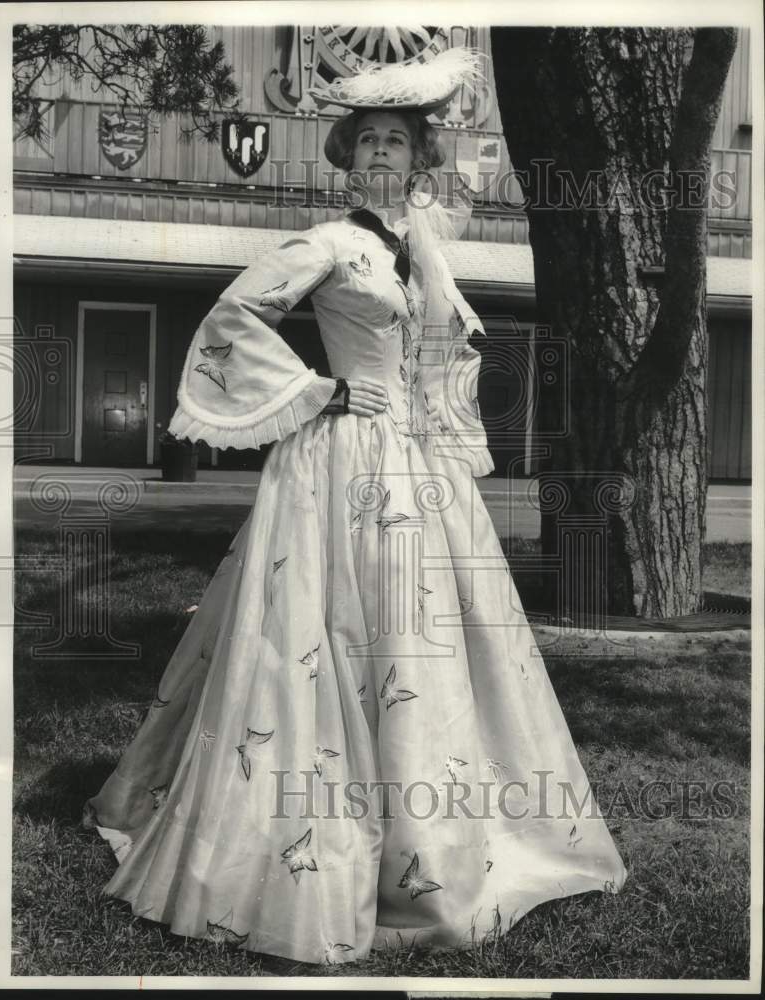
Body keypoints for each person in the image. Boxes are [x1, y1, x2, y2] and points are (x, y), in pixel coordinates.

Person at [84, 48, 627, 966]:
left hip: (415, 470)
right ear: (348, 154)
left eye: (397, 142)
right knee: (322, 638)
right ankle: (297, 834)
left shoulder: (421, 247)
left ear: (417, 160)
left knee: (428, 643)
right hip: (340, 462)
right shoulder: (330, 243)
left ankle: (436, 836)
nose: (382, 154)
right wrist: (317, 391)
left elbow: (446, 351)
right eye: (368, 139)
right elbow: (232, 318)